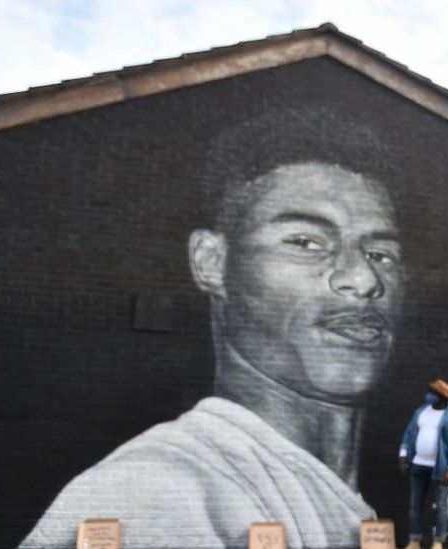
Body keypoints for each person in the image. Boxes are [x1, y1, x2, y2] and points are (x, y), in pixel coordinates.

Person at [22, 161, 404, 548]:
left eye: (381, 254)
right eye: (305, 243)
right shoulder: (154, 491)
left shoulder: (334, 490)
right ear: (211, 261)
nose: (363, 279)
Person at [398, 379, 448, 549]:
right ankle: (414, 541)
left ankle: (438, 542)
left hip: (441, 470)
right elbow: (409, 433)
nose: (429, 395)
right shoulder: (421, 412)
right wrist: (403, 455)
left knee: (441, 507)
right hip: (418, 465)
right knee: (415, 505)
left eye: (433, 393)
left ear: (442, 397)